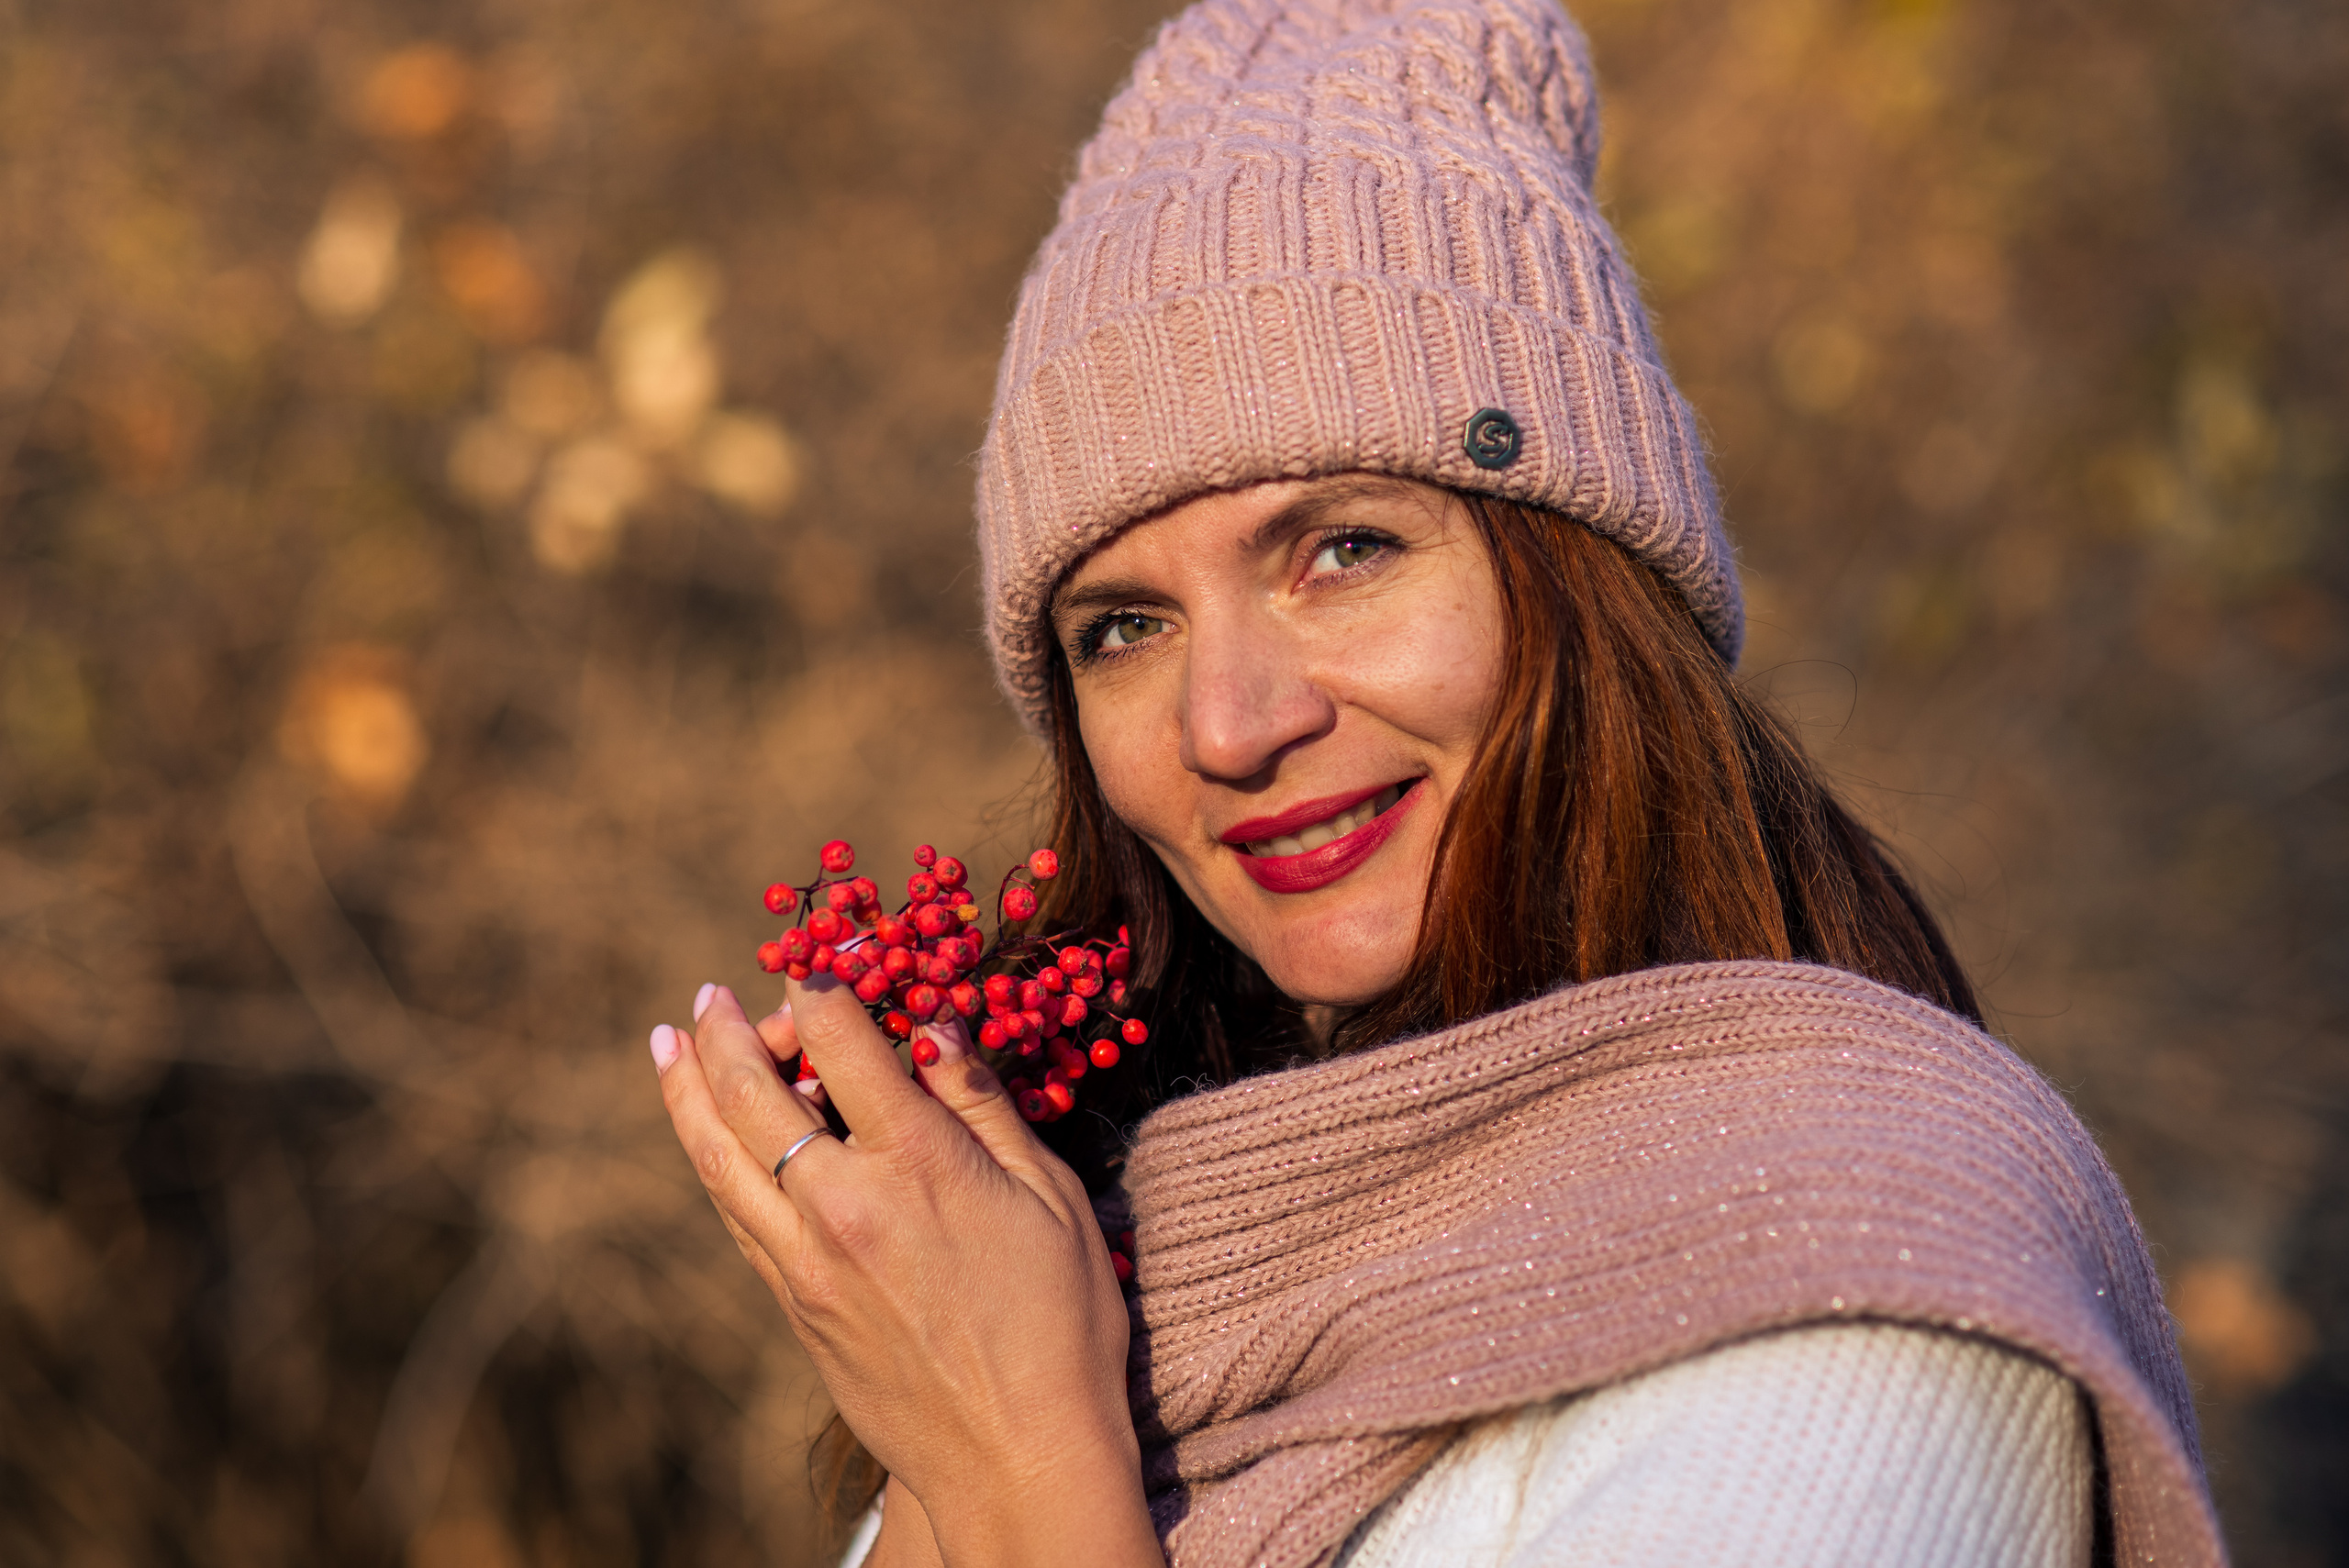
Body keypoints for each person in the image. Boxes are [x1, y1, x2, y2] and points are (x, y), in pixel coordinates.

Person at [650, 1, 2224, 1563]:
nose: (1226, 722)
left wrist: (1014, 1470)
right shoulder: (1112, 1277)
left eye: (1345, 550)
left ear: (1583, 582)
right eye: (1123, 626)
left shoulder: (1865, 1268)